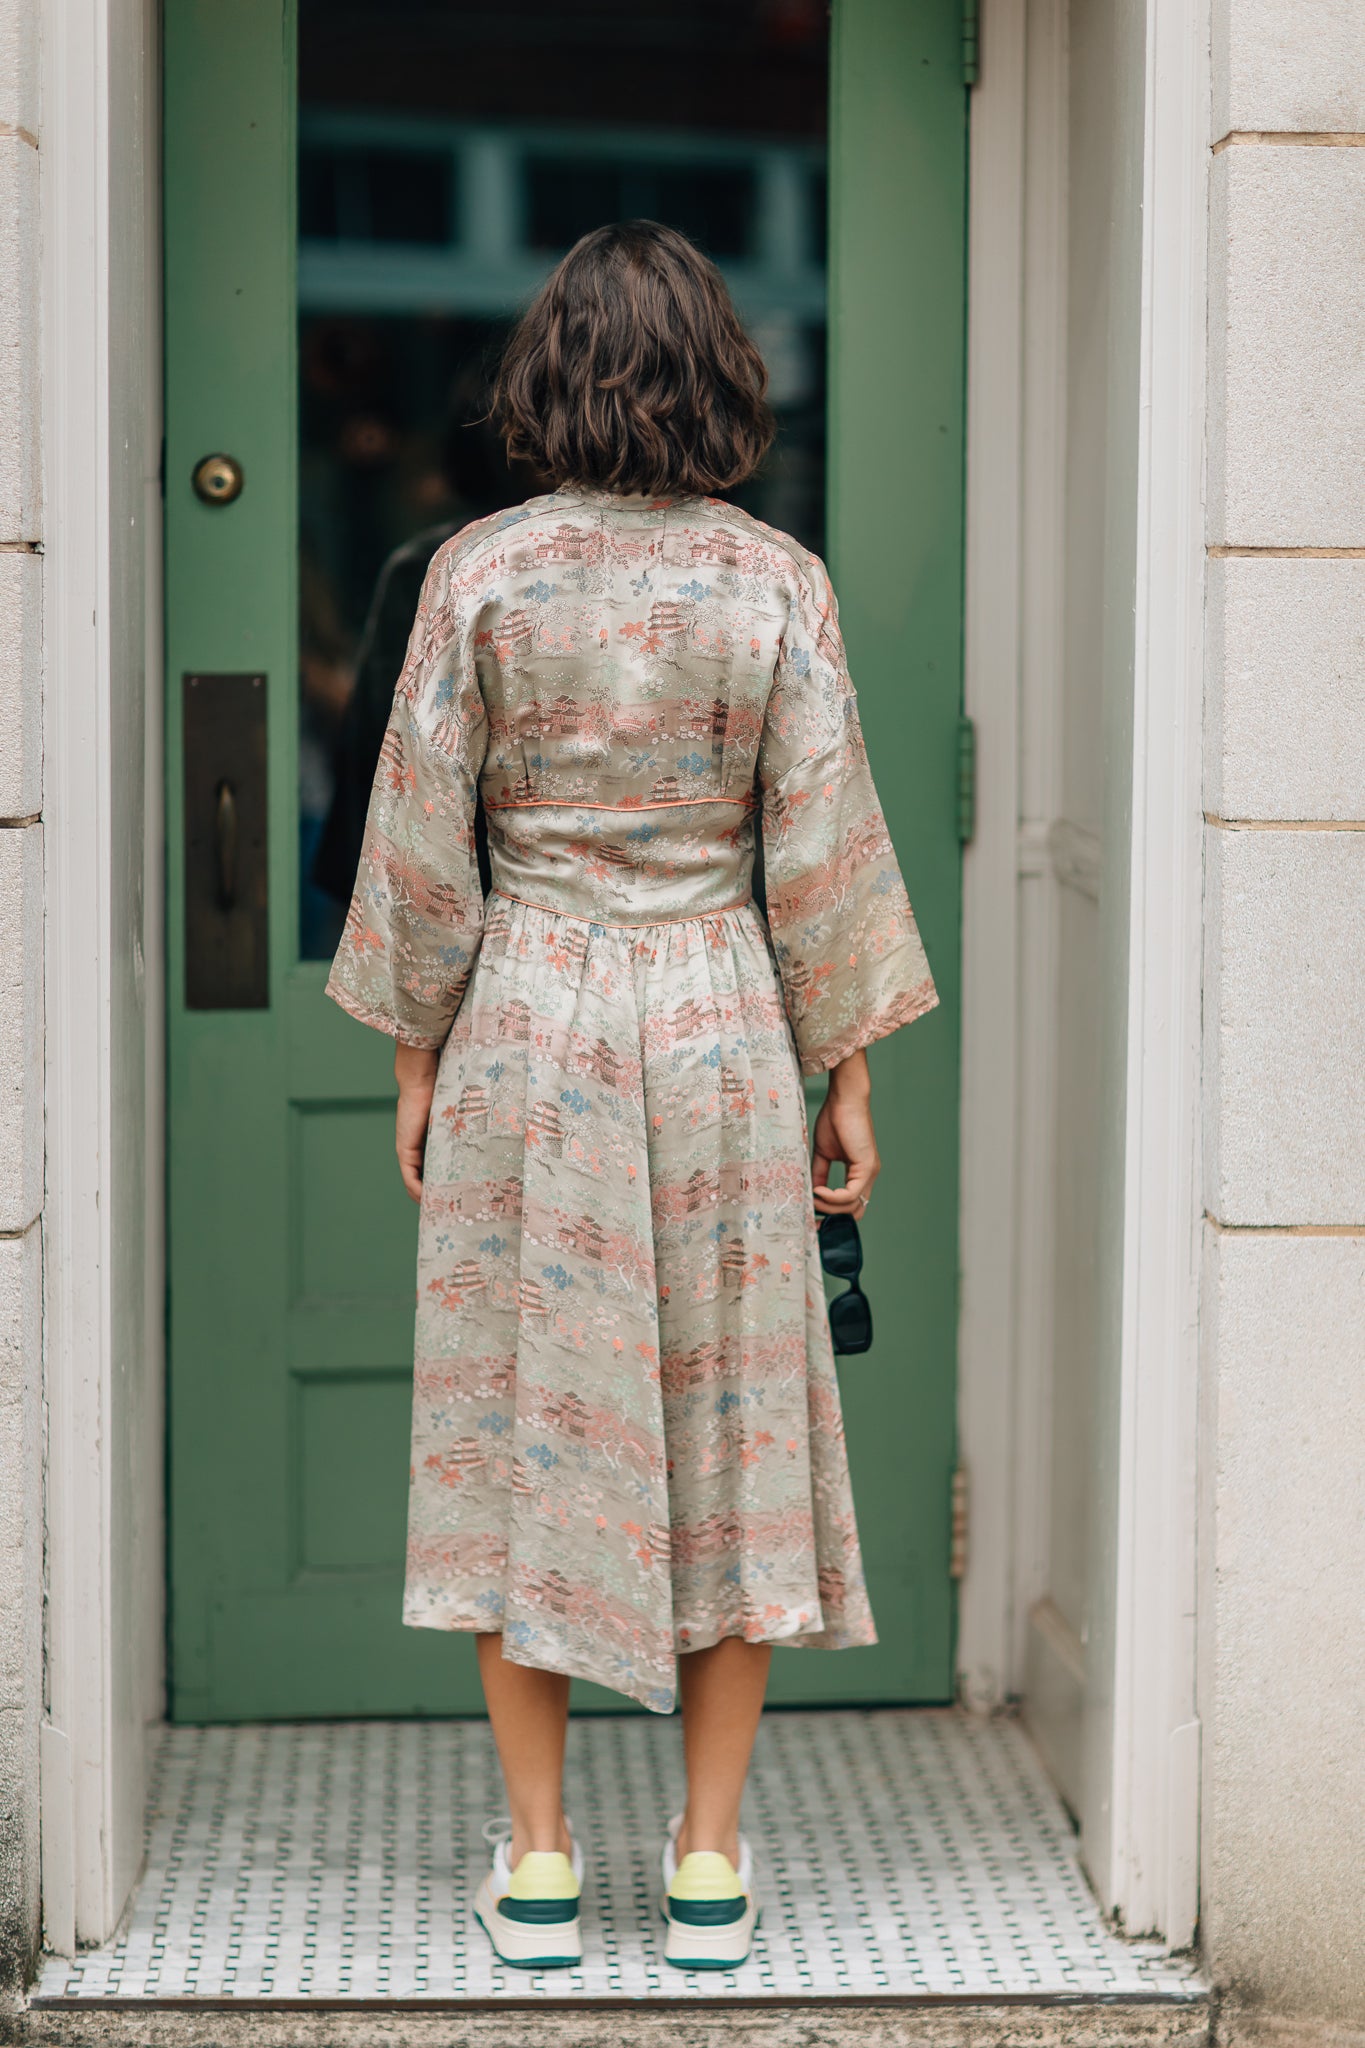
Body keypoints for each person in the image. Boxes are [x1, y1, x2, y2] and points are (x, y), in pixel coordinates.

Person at [326, 219, 938, 1974]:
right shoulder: (772, 583)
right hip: (721, 1022)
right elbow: (818, 849)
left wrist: (412, 1064)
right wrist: (851, 1080)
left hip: (527, 1016)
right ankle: (707, 1869)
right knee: (731, 1433)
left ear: (547, 385)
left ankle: (533, 1870)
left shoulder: (480, 575)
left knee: (521, 1426)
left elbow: (419, 849)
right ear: (719, 384)